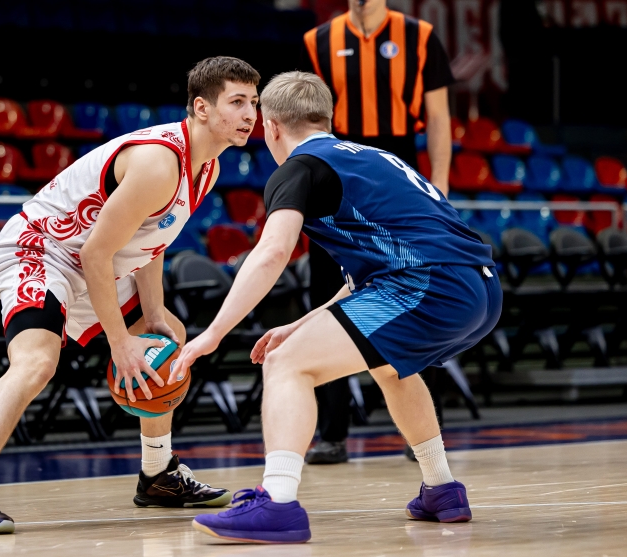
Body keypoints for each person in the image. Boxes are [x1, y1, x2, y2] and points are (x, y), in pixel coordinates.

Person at [0, 56, 261, 534]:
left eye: (253, 102)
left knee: (166, 337)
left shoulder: (205, 165)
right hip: (41, 249)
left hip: (92, 259)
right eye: (237, 102)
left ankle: (158, 474)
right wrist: (120, 342)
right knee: (37, 361)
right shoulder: (158, 162)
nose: (250, 114)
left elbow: (149, 240)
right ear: (202, 108)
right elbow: (95, 254)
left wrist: (152, 312)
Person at [171, 71, 501, 544]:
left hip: (427, 286)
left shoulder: (299, 169)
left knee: (286, 364)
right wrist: (302, 324)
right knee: (389, 366)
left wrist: (213, 333)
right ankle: (441, 488)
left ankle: (277, 503)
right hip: (479, 286)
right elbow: (367, 278)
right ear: (327, 118)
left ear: (272, 126)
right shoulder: (375, 157)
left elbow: (272, 253)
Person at [300, 0, 456, 464]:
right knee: (326, 291)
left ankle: (424, 433)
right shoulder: (317, 41)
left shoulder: (419, 36)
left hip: (398, 168)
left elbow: (439, 117)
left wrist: (440, 187)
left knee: (418, 292)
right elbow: (307, 117)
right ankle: (332, 433)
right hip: (336, 167)